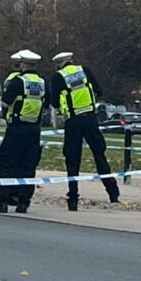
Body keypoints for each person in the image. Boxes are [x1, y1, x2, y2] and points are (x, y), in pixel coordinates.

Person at [51, 51, 120, 211]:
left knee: (73, 160)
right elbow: (99, 90)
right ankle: (112, 192)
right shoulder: (84, 71)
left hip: (73, 121)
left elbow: (54, 103)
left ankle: (73, 198)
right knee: (99, 155)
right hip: (90, 119)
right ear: (71, 61)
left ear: (58, 64)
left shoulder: (58, 77)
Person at [0, 49, 50, 215]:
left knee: (5, 162)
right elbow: (47, 105)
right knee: (28, 166)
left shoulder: (18, 82)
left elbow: (5, 103)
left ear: (22, 65)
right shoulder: (43, 83)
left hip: (16, 129)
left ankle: (2, 201)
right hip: (35, 130)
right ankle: (23, 203)